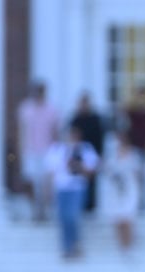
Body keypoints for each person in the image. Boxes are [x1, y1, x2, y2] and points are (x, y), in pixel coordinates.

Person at [45, 117, 100, 260]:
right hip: (61, 188)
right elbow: (51, 172)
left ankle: (75, 245)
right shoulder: (57, 149)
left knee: (73, 216)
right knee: (63, 218)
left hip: (77, 187)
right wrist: (48, 191)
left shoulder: (85, 148)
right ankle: (67, 248)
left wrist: (79, 166)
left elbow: (92, 170)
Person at [15, 82, 60, 223]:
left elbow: (55, 132)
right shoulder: (26, 109)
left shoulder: (51, 110)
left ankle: (43, 211)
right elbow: (21, 130)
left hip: (47, 151)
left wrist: (56, 152)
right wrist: (19, 150)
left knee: (45, 183)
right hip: (29, 150)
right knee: (30, 181)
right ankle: (33, 209)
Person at [100, 137, 141, 254]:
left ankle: (128, 246)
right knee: (117, 219)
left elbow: (138, 174)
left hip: (129, 192)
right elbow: (106, 171)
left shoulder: (133, 158)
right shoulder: (112, 159)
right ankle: (122, 246)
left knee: (127, 218)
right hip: (115, 193)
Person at [69, 93, 109, 213]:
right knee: (77, 181)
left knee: (92, 181)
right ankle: (78, 206)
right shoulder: (75, 119)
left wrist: (100, 155)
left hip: (92, 155)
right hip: (78, 155)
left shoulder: (95, 119)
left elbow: (100, 138)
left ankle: (91, 207)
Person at [121, 86, 145, 213]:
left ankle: (142, 205)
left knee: (142, 177)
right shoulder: (131, 112)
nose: (141, 99)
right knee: (131, 177)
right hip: (133, 148)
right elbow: (122, 111)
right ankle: (131, 204)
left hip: (143, 149)